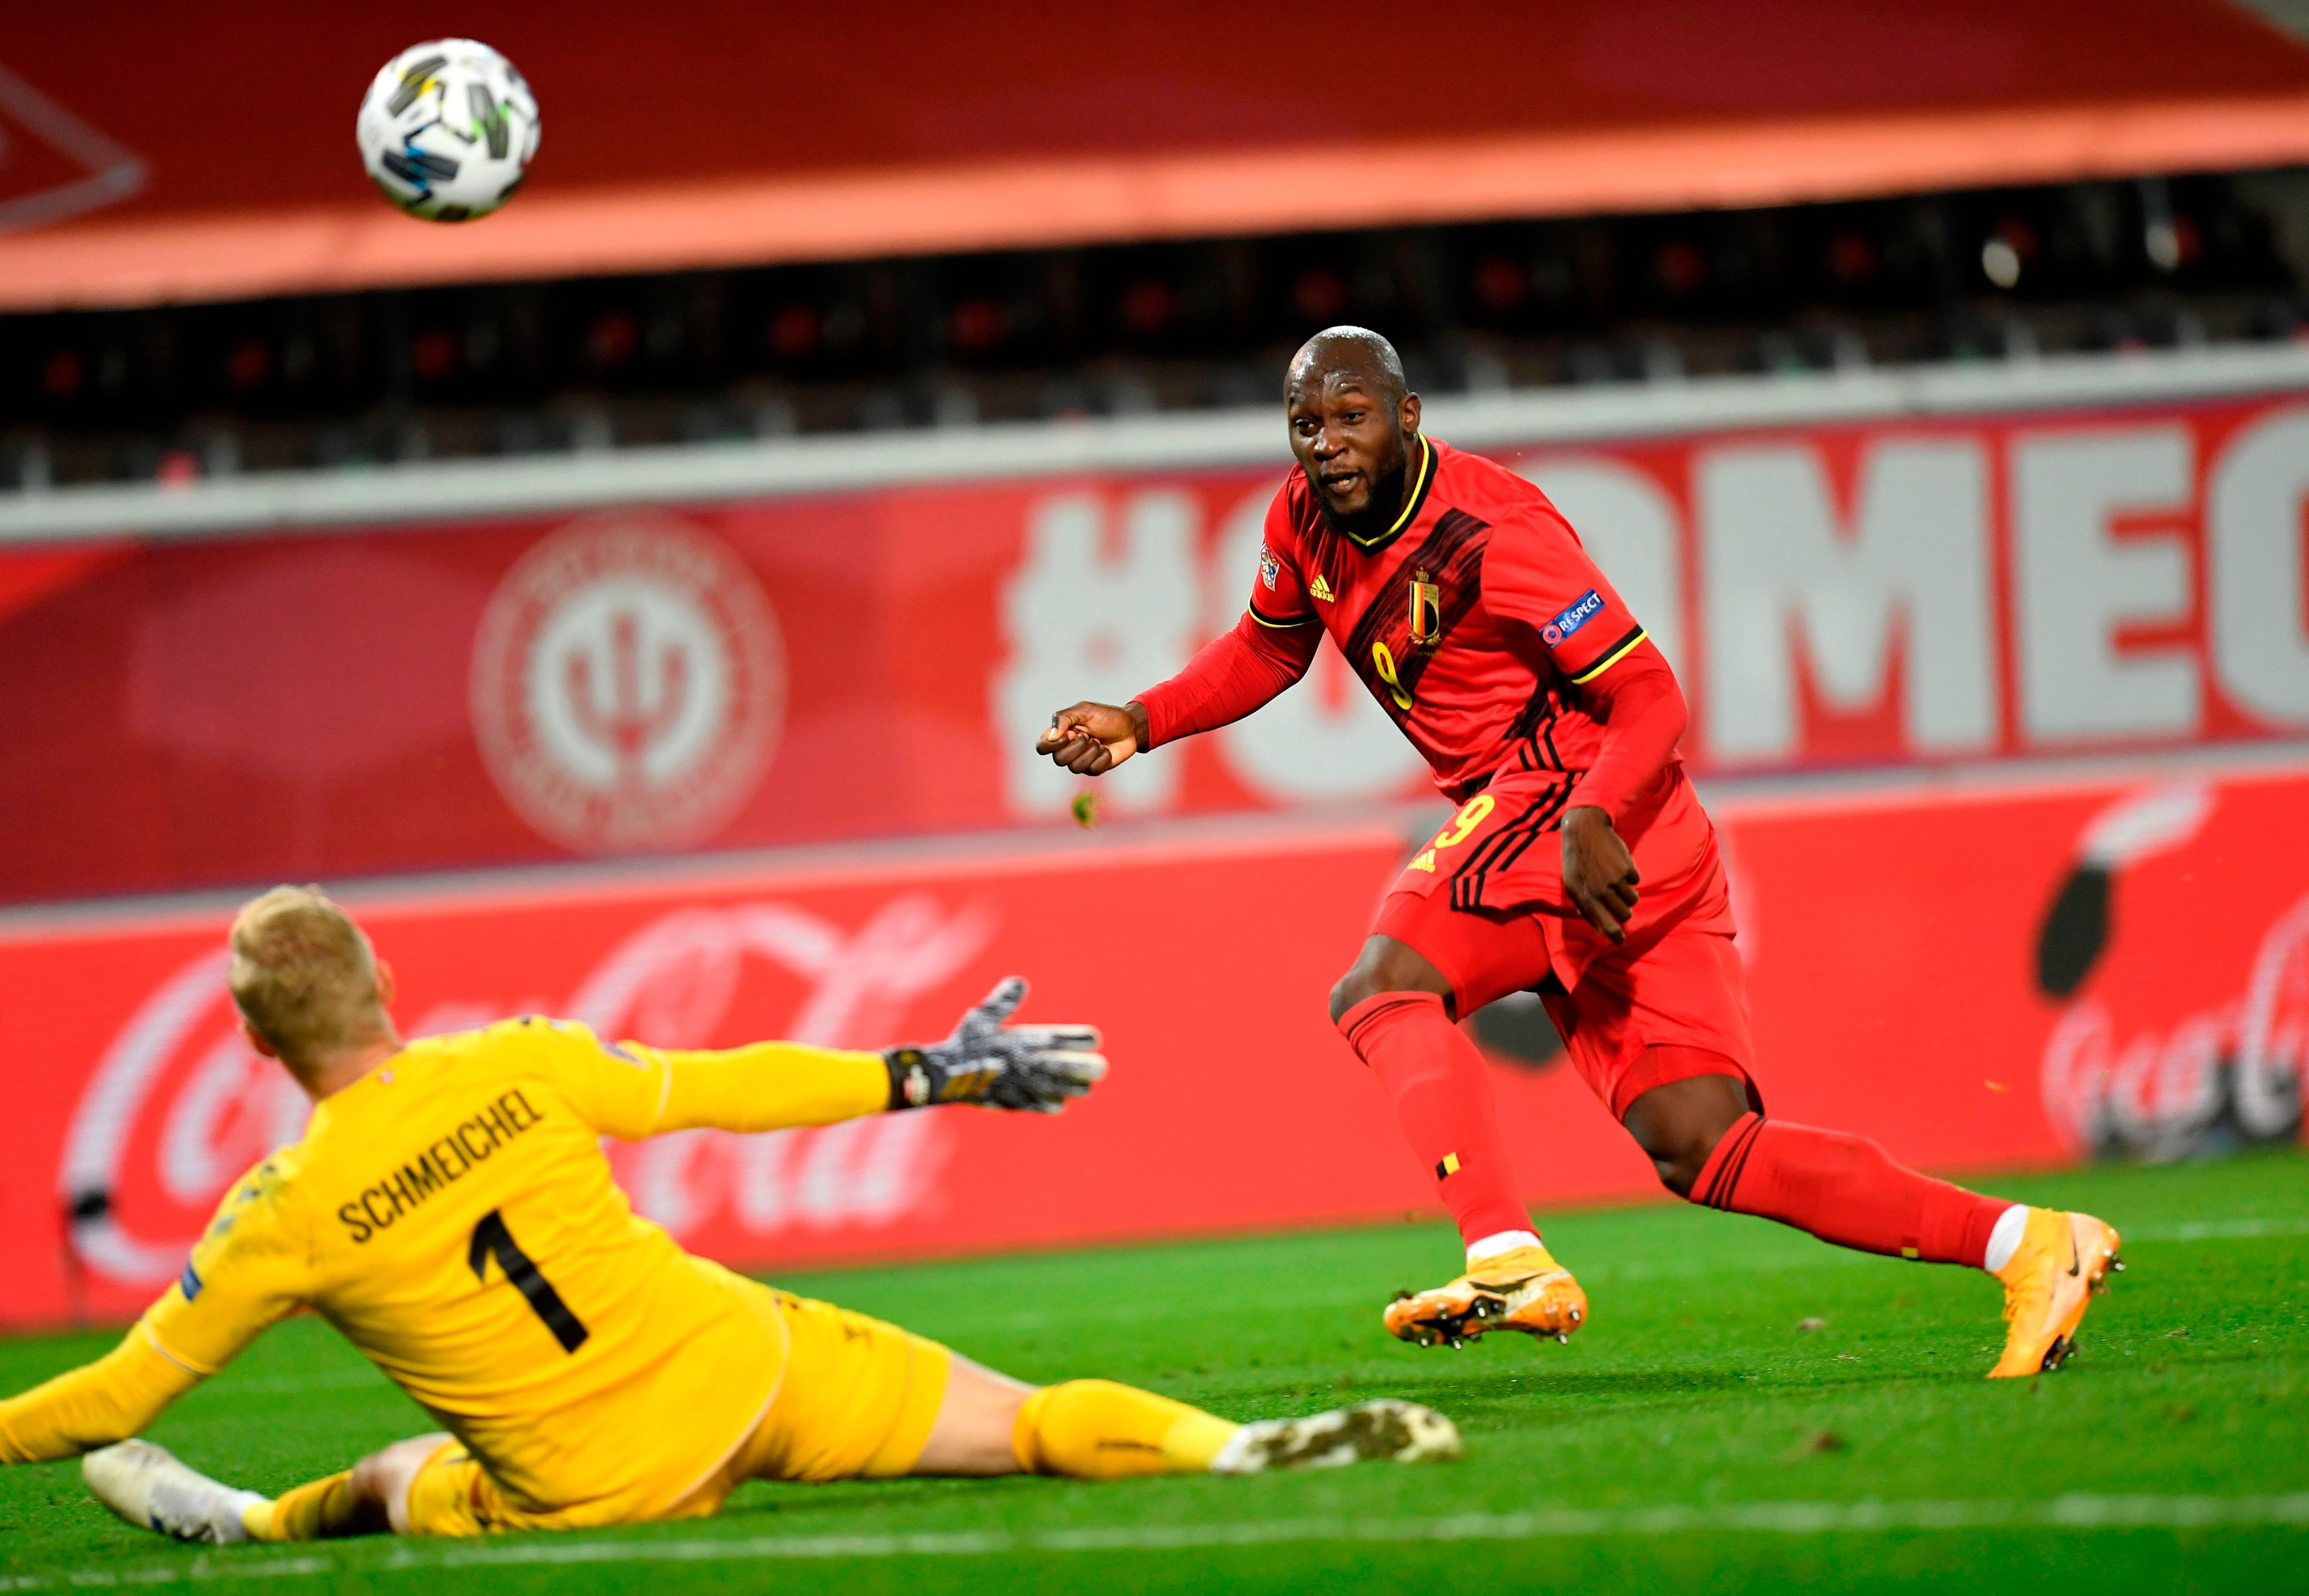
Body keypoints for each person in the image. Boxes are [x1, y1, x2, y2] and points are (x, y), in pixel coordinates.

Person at [1036, 327, 2120, 1379]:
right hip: (1629, 838)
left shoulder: (1493, 532)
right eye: (1304, 423)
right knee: (1704, 1146)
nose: (1325, 444)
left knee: (1382, 988)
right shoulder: (1305, 519)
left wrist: (1594, 813)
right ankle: (2027, 1242)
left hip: (1575, 799)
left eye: (1352, 417)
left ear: (1409, 418)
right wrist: (1141, 720)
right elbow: (1270, 647)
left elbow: (1651, 694)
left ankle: (1504, 1256)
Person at [0, 887, 1456, 1546]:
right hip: (739, 1362)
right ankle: (1235, 1447)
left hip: (578, 1486)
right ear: (380, 983)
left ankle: (245, 1521)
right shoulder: (513, 1059)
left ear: (260, 1049)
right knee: (1017, 1420)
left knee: (390, 1477)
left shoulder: (280, 1211)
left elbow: (115, 1392)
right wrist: (925, 1070)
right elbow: (722, 1086)